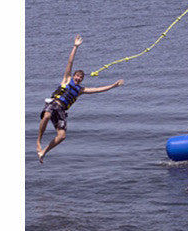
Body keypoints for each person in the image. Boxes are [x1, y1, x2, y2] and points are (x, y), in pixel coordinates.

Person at [37, 35, 124, 163]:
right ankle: (38, 141)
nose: (78, 79)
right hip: (54, 103)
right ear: (74, 76)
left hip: (61, 110)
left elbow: (98, 89)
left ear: (82, 80)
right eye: (77, 76)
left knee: (62, 136)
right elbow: (70, 62)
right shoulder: (67, 79)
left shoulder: (81, 90)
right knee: (46, 115)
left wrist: (113, 85)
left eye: (80, 78)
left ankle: (44, 152)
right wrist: (75, 47)